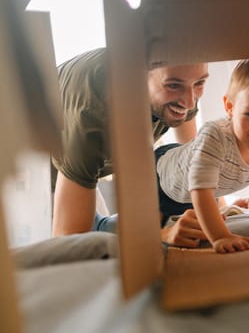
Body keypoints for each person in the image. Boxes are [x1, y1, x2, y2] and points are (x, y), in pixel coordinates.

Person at [51, 48, 210, 246]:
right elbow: (68, 242)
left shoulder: (184, 80)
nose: (189, 102)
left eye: (200, 83)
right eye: (173, 85)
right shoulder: (94, 116)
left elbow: (196, 164)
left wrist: (218, 206)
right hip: (28, 182)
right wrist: (161, 236)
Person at [154, 57, 249, 253]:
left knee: (190, 224)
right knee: (149, 237)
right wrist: (221, 237)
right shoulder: (215, 136)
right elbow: (201, 191)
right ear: (230, 106)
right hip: (159, 178)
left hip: (189, 193)